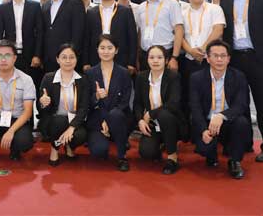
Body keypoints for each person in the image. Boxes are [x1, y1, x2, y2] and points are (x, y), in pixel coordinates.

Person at [220, 0, 263, 162]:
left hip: (257, 58)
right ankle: (244, 142)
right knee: (239, 104)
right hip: (235, 59)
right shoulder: (225, 1)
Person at [190, 39, 251, 179]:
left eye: (223, 56)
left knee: (241, 122)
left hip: (227, 121)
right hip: (206, 123)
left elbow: (241, 104)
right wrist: (203, 130)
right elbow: (195, 107)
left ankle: (235, 161)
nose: (219, 59)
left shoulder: (238, 76)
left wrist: (221, 116)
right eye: (215, 56)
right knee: (204, 149)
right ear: (207, 58)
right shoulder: (196, 78)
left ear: (228, 59)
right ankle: (211, 153)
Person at [134, 45, 186, 174]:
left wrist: (151, 114)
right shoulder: (141, 77)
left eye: (159, 57)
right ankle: (161, 145)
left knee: (164, 115)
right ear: (147, 60)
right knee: (147, 153)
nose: (155, 61)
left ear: (166, 60)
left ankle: (172, 157)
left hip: (172, 121)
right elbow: (137, 103)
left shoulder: (173, 76)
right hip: (153, 125)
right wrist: (140, 120)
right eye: (151, 57)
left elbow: (173, 104)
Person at [180, 0, 225, 128]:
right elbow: (179, 36)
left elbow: (218, 30)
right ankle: (193, 130)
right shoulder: (182, 13)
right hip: (189, 60)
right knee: (190, 96)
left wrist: (203, 49)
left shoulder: (215, 9)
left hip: (210, 60)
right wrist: (190, 51)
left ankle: (212, 127)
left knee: (210, 95)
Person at [85, 34, 132, 171]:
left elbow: (125, 102)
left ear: (116, 50)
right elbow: (86, 103)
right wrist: (96, 96)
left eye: (110, 48)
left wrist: (108, 120)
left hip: (118, 117)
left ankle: (122, 157)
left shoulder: (124, 73)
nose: (106, 51)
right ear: (97, 50)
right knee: (99, 151)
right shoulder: (90, 73)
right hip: (97, 119)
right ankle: (109, 138)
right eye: (102, 48)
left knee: (116, 115)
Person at [38, 44, 89, 166]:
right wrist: (43, 103)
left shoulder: (83, 80)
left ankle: (69, 146)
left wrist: (71, 128)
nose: (68, 61)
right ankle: (54, 149)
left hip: (74, 121)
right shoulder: (48, 78)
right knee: (59, 121)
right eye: (64, 57)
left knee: (80, 135)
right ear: (57, 59)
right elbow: (41, 110)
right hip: (53, 121)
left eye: (71, 57)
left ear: (76, 59)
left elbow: (84, 108)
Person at [0, 0, 44, 91]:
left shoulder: (35, 6)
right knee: (10, 87)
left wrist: (37, 55)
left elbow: (40, 32)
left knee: (30, 87)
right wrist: (0, 54)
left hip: (30, 55)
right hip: (9, 54)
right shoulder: (2, 8)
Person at [84, 0, 137, 73]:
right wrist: (86, 61)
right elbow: (87, 38)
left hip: (120, 58)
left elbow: (132, 38)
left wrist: (131, 62)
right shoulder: (91, 12)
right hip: (96, 58)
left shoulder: (126, 11)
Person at [135, 0, 183, 72]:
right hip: (145, 54)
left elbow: (179, 30)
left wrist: (174, 57)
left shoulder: (172, 4)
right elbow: (140, 31)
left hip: (166, 54)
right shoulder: (141, 7)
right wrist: (138, 56)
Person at [42, 0, 85, 72]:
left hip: (68, 57)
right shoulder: (46, 4)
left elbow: (78, 32)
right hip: (49, 58)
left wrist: (72, 54)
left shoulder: (76, 3)